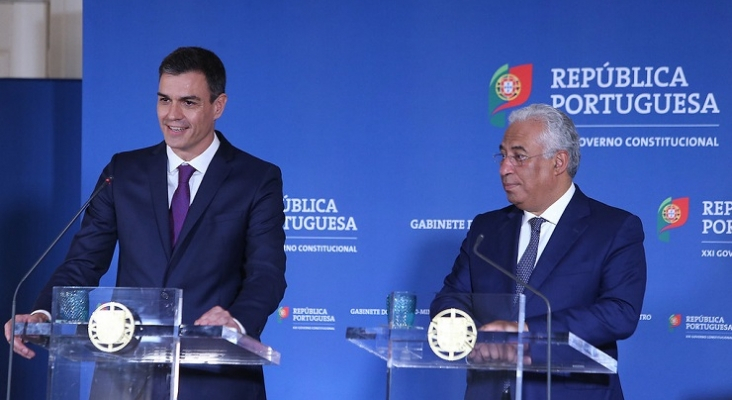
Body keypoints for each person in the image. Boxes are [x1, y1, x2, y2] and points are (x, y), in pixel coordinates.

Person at [4, 46, 287, 400]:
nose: (172, 115)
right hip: (125, 378)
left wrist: (236, 322)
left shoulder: (256, 179)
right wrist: (47, 314)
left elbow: (267, 274)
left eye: (188, 102)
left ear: (218, 106)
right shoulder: (122, 173)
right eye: (164, 99)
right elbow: (84, 265)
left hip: (215, 379)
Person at [431, 103, 646, 399]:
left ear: (558, 162)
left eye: (518, 157)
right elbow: (451, 297)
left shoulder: (614, 228)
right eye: (503, 156)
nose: (504, 168)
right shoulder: (486, 229)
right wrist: (466, 335)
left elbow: (619, 313)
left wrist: (525, 335)